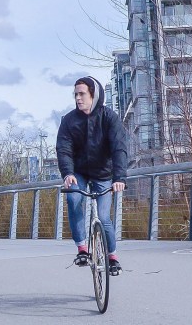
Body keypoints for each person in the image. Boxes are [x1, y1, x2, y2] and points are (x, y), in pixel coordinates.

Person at [56, 76, 127, 276]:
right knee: (73, 198)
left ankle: (112, 257)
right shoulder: (69, 120)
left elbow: (119, 148)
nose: (78, 98)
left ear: (93, 95)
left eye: (82, 94)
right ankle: (82, 249)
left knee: (104, 217)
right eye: (75, 94)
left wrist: (119, 178)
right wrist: (68, 173)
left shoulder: (109, 118)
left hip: (103, 173)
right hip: (78, 172)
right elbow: (64, 149)